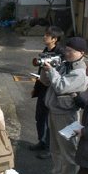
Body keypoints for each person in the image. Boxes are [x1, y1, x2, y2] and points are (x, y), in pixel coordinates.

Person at [39, 37, 88, 174]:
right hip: (54, 110)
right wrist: (46, 68)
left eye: (71, 52)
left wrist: (52, 71)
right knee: (55, 147)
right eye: (66, 50)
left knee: (68, 150)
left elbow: (61, 87)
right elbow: (47, 82)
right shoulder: (65, 64)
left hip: (68, 115)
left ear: (82, 53)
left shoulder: (81, 71)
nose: (67, 54)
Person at [30, 26, 66, 159]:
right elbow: (41, 72)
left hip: (53, 89)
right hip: (43, 87)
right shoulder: (46, 50)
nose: (44, 37)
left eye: (47, 35)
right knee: (40, 116)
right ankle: (42, 141)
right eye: (45, 34)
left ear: (55, 39)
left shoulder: (60, 53)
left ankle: (50, 148)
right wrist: (36, 87)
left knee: (50, 119)